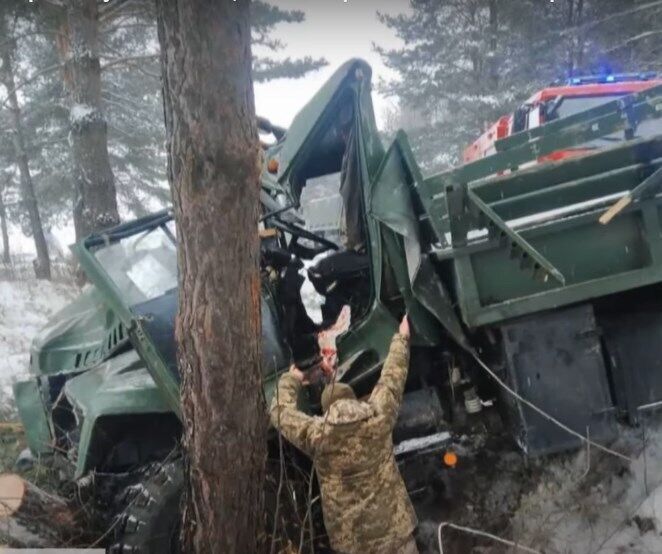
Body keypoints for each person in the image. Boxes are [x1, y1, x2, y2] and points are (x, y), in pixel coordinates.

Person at [270, 315, 418, 554]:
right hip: (396, 535)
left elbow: (279, 412)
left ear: (327, 409)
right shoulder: (377, 418)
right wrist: (402, 337)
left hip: (353, 546)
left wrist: (293, 378)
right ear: (352, 399)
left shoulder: (317, 436)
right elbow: (392, 377)